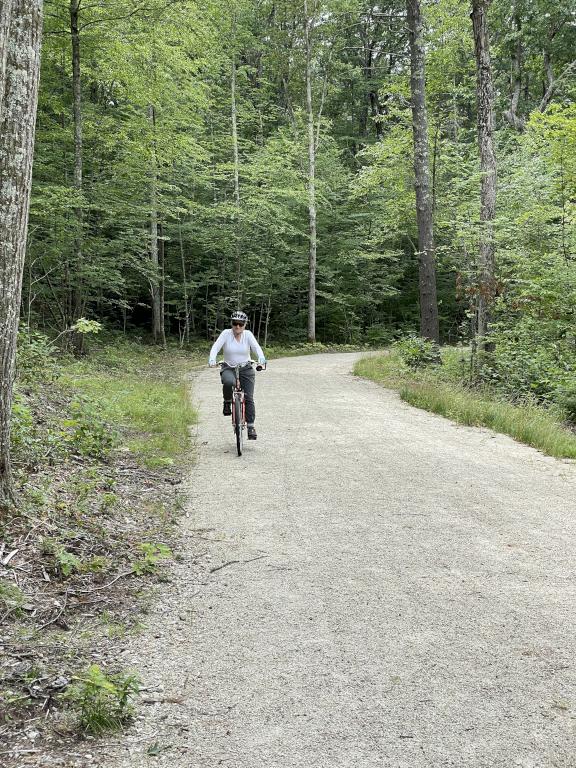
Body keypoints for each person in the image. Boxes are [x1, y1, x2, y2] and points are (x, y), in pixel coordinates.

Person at [208, 310, 266, 440]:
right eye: (235, 324)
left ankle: (251, 426)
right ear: (232, 324)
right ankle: (227, 401)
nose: (237, 327)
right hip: (229, 367)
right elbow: (216, 347)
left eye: (240, 324)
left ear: (245, 324)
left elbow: (256, 348)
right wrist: (212, 359)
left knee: (249, 397)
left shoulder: (248, 335)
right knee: (228, 382)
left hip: (246, 368)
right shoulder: (226, 334)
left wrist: (261, 358)